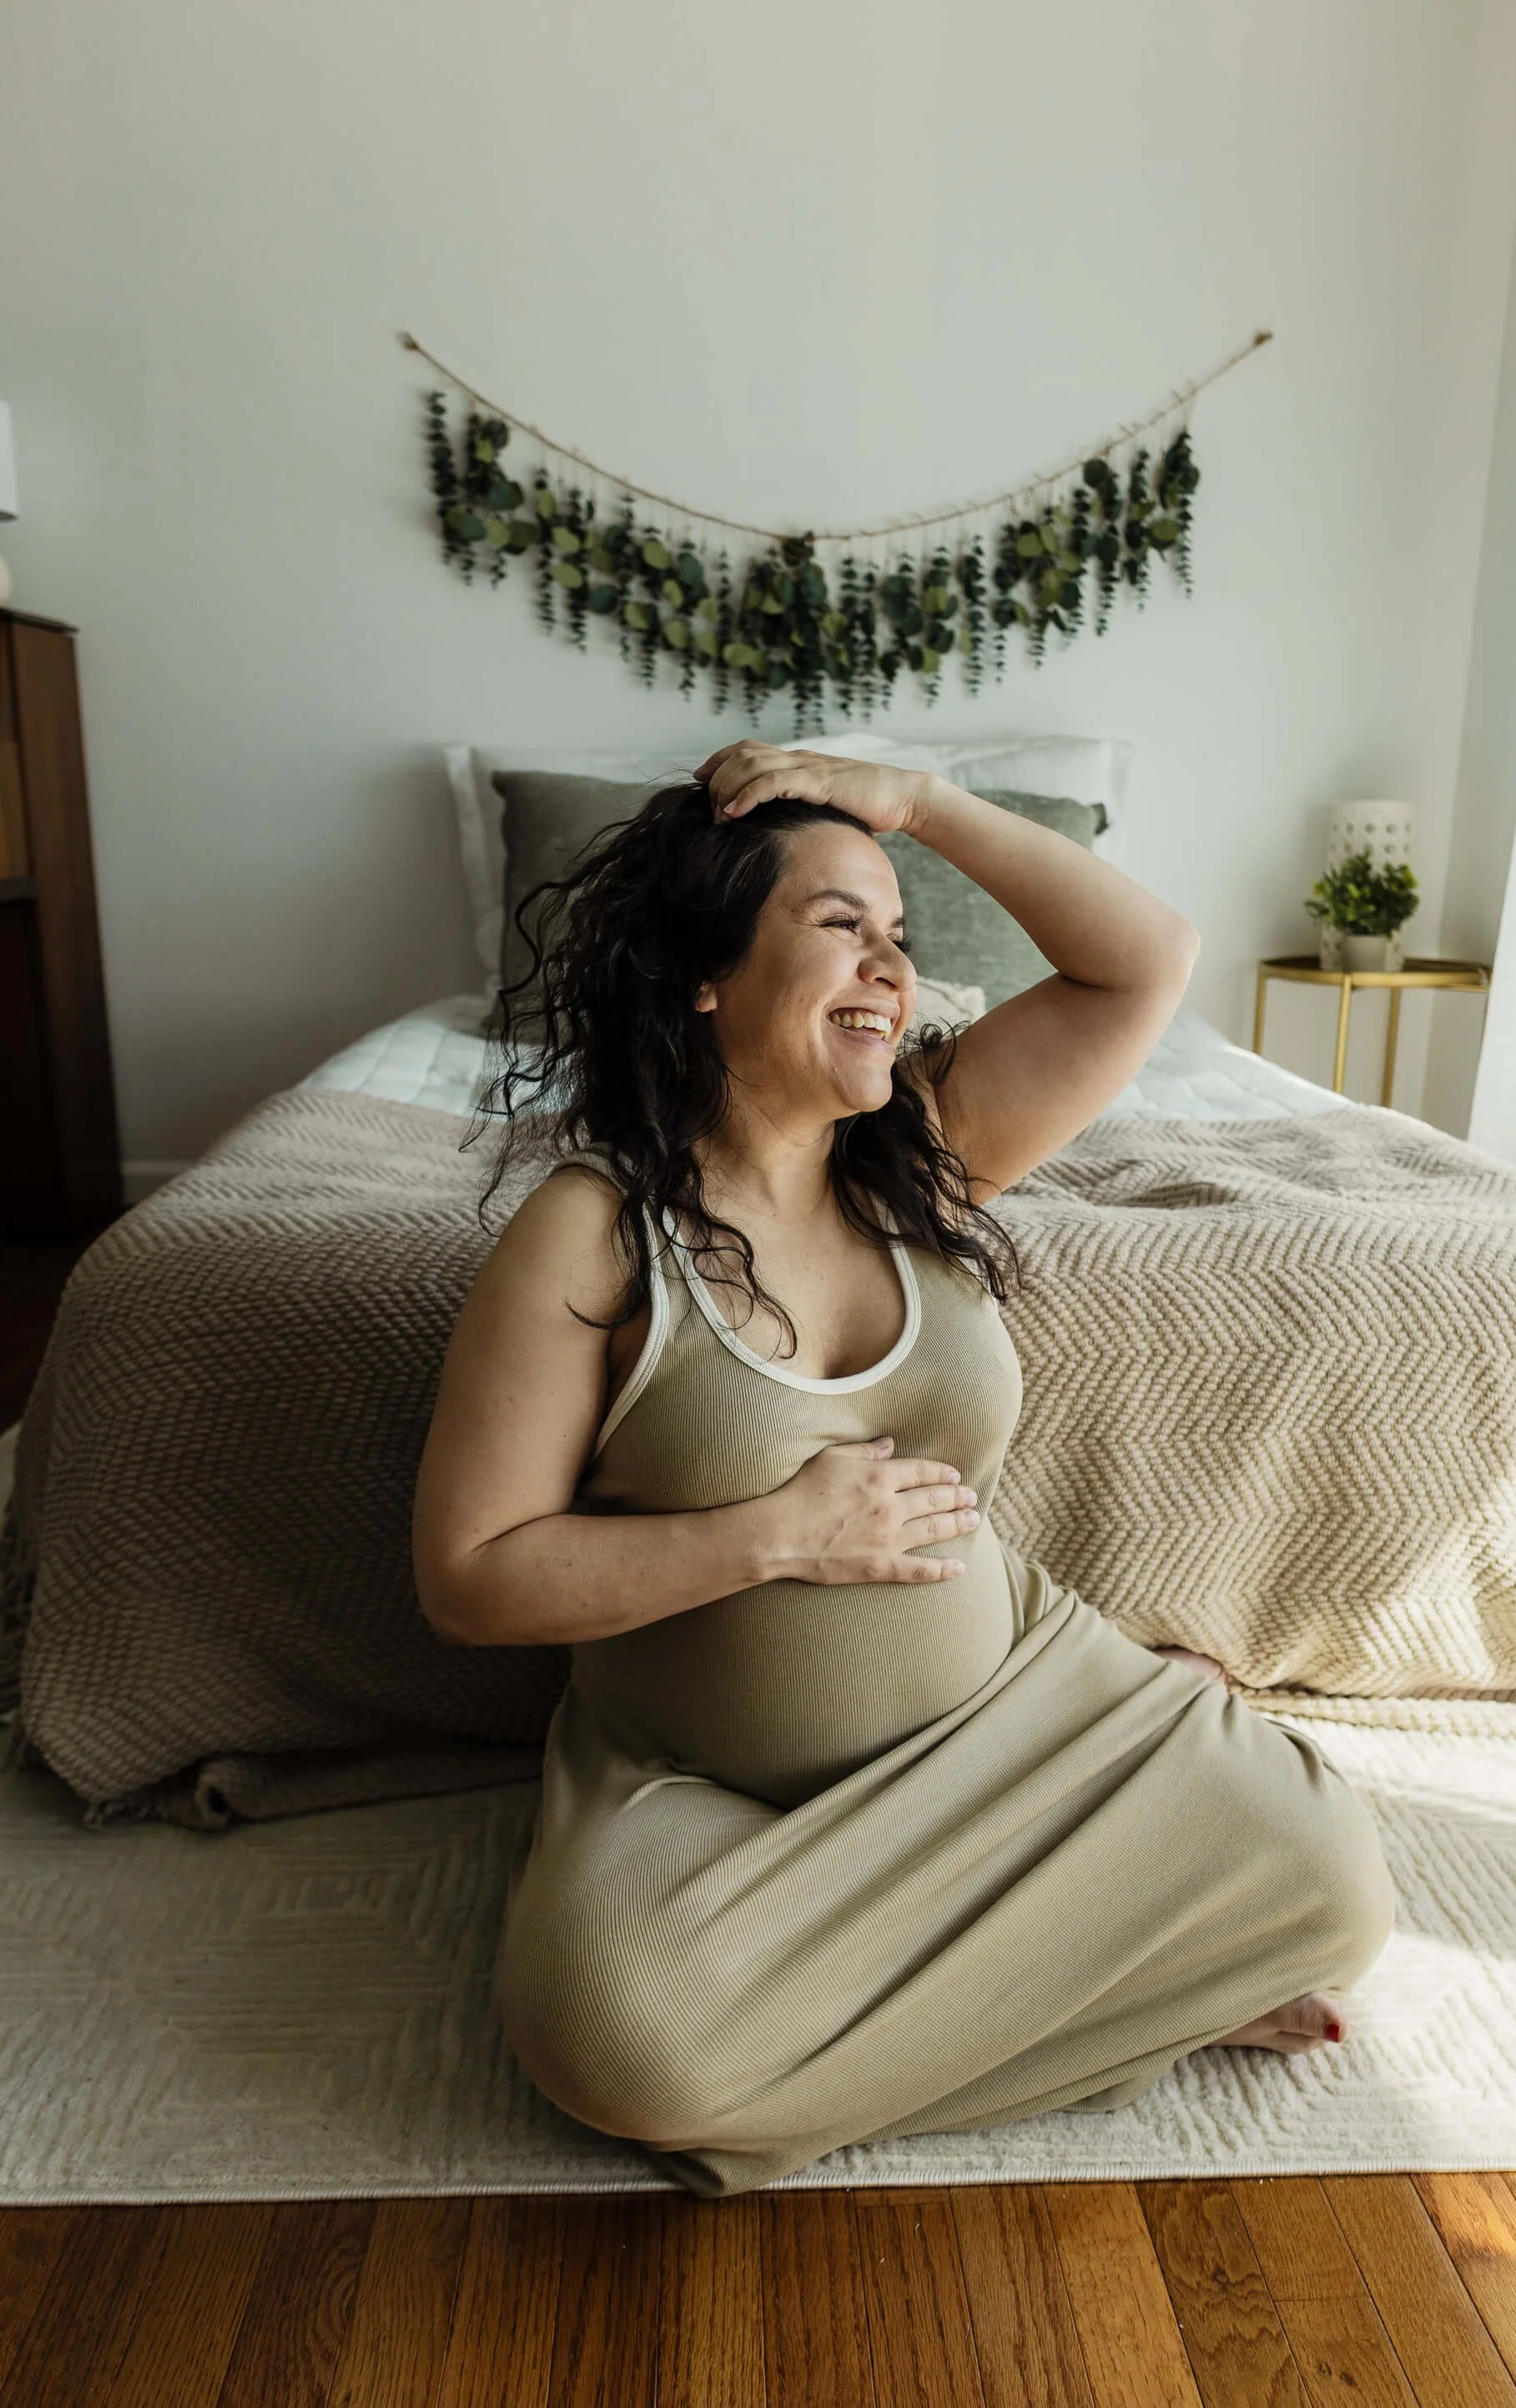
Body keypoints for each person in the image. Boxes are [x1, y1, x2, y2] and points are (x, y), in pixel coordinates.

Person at [411, 741, 1395, 2199]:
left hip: (1013, 1720)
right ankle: (1126, 1998)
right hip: (715, 1804)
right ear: (705, 976)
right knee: (617, 2046)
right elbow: (471, 1578)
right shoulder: (595, 1232)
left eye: (901, 935)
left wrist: (917, 802)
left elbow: (1146, 964)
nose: (893, 970)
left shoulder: (924, 1153)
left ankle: (989, 1991)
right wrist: (771, 1536)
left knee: (1334, 1876)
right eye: (839, 928)